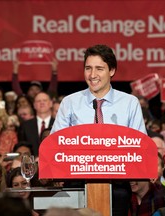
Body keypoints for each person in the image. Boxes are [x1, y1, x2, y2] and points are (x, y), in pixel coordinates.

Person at [50, 44, 146, 216]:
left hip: (117, 186)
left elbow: (140, 148)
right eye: (88, 68)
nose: (92, 75)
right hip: (76, 184)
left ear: (112, 70)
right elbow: (56, 145)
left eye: (99, 69)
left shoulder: (130, 103)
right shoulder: (70, 103)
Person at [18, 92, 54, 157]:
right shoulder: (25, 126)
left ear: (51, 103)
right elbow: (21, 147)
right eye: (38, 101)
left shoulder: (59, 124)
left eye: (45, 100)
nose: (42, 103)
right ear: (34, 105)